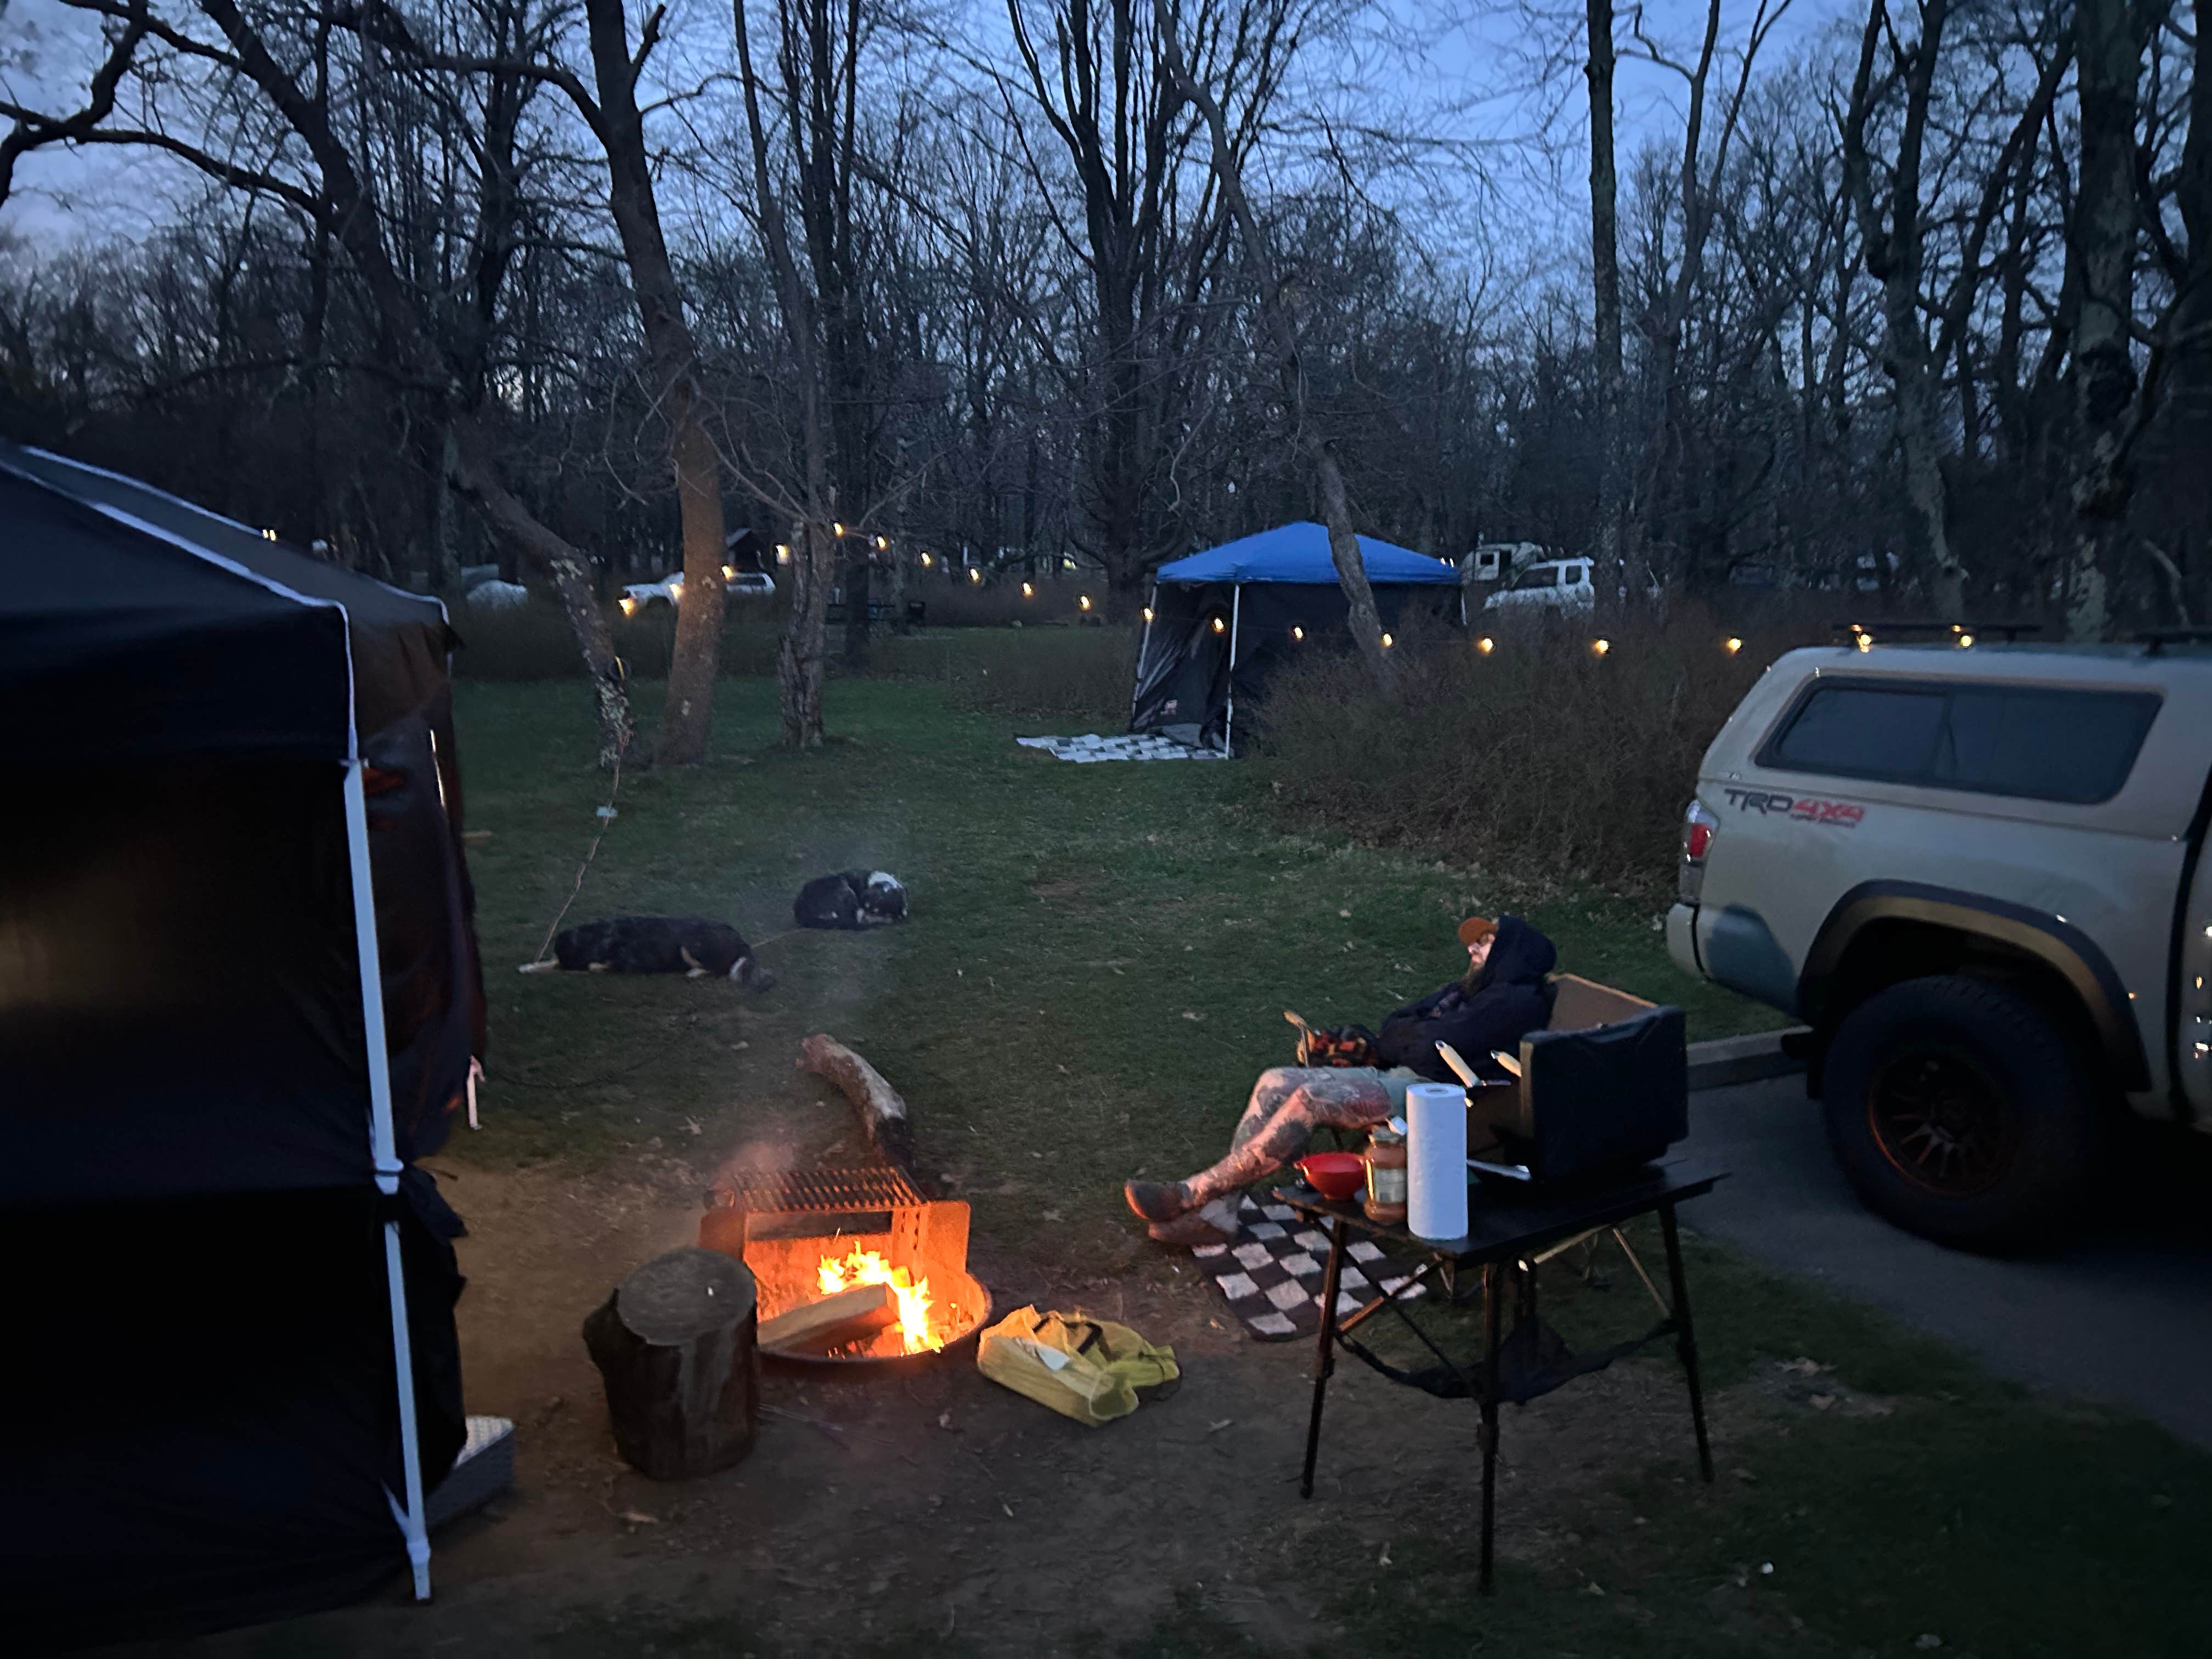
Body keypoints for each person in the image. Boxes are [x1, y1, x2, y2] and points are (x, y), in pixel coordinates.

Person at [1123, 914, 1559, 1245]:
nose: (1473, 950)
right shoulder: (1466, 991)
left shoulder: (1515, 1002)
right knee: (1275, 1080)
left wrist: (1409, 1039)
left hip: (1436, 1096)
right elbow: (1395, 1025)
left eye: (1485, 943)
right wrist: (1410, 1038)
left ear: (1511, 952)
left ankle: (1192, 1193)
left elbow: (1423, 1044)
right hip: (1399, 1073)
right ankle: (1219, 1214)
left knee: (1312, 1098)